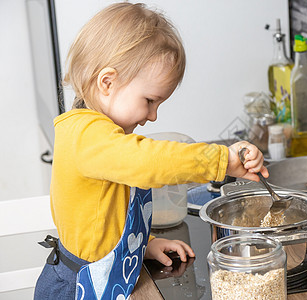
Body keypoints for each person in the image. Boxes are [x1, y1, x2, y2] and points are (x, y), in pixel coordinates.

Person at [33, 2, 268, 300]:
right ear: (107, 82)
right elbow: (149, 162)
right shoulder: (86, 136)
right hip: (76, 286)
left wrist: (144, 246)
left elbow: (108, 221)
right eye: (150, 100)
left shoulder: (104, 137)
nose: (153, 116)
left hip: (110, 274)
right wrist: (221, 160)